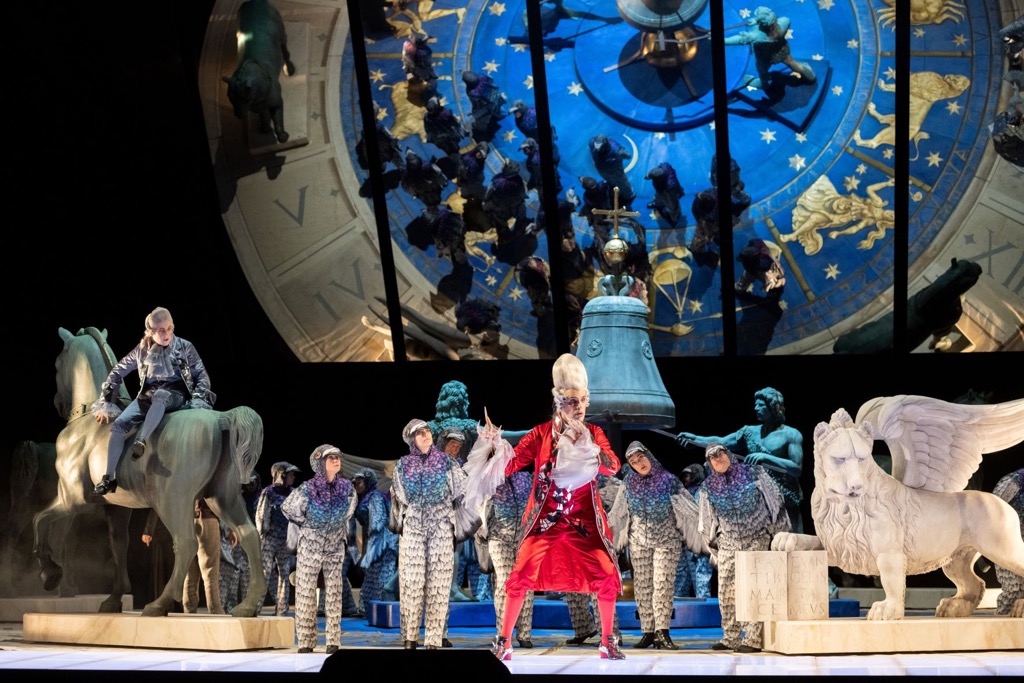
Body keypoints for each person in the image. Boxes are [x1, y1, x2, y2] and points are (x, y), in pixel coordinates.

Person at [465, 353, 626, 661]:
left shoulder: (594, 434)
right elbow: (510, 465)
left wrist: (591, 449)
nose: (579, 407)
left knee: (607, 576)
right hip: (545, 522)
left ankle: (607, 641)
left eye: (582, 400)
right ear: (558, 402)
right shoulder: (541, 434)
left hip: (583, 524)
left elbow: (613, 466)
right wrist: (493, 446)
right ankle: (504, 641)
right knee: (519, 576)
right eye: (572, 401)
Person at [90, 306, 214, 495]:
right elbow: (117, 371)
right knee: (119, 424)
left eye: (170, 328)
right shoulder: (141, 351)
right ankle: (108, 478)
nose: (167, 334)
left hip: (175, 394)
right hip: (146, 396)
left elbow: (201, 374)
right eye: (161, 330)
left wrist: (198, 398)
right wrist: (106, 402)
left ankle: (141, 441)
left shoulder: (184, 346)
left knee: (160, 395)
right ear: (151, 332)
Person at [608, 441, 704, 650]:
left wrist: (708, 531)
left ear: (648, 455)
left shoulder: (669, 481)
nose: (639, 464)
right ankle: (648, 632)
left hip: (666, 541)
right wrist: (606, 534)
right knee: (643, 587)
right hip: (638, 542)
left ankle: (662, 632)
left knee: (662, 585)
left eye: (640, 458)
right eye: (633, 462)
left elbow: (690, 509)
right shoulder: (628, 483)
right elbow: (618, 512)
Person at [698, 442, 790, 652]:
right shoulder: (707, 486)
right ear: (709, 462)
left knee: (753, 588)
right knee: (726, 591)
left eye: (720, 453)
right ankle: (730, 637)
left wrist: (777, 535)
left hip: (756, 538)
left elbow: (776, 503)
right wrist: (714, 546)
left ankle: (753, 639)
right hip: (728, 542)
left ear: (728, 453)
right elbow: (705, 520)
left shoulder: (754, 473)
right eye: (712, 457)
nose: (718, 458)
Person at [676, 387, 805, 533]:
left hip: (785, 498)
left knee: (790, 539)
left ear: (773, 407)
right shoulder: (750, 432)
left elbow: (797, 469)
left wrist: (766, 457)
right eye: (755, 405)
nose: (756, 408)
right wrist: (695, 439)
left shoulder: (791, 435)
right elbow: (722, 442)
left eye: (761, 405)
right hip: (758, 497)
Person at [390, 418, 471, 649]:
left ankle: (434, 639)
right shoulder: (403, 464)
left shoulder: (447, 463)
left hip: (441, 528)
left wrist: (443, 510)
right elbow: (401, 496)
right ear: (411, 439)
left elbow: (461, 491)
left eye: (426, 430)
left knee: (439, 583)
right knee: (411, 582)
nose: (425, 434)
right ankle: (410, 636)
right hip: (413, 528)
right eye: (419, 433)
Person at [281, 444, 358, 654]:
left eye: (337, 457)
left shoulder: (347, 488)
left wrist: (335, 526)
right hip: (310, 546)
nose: (336, 460)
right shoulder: (308, 488)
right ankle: (306, 640)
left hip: (334, 547)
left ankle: (333, 640)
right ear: (320, 463)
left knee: (334, 593)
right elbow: (288, 508)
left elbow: (350, 510)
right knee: (305, 593)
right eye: (330, 458)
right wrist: (309, 525)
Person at [724, 6, 816, 90]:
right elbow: (781, 21)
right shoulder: (783, 22)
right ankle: (810, 77)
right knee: (791, 62)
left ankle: (764, 84)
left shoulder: (757, 35)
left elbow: (740, 39)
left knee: (762, 71)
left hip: (764, 58)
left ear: (762, 23)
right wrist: (756, 21)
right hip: (781, 49)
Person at [256, 461, 301, 616]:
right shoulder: (268, 492)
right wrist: (262, 534)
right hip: (269, 538)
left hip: (285, 539)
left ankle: (282, 608)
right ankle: (256, 606)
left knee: (284, 573)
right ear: (282, 474)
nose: (293, 477)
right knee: (265, 572)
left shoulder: (294, 493)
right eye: (291, 474)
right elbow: (261, 515)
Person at [352, 467, 399, 615]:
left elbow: (377, 524)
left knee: (382, 579)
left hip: (384, 543)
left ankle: (384, 613)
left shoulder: (375, 497)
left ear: (368, 482)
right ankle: (368, 610)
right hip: (375, 542)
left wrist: (371, 551)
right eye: (355, 483)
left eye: (360, 482)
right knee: (372, 578)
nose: (357, 485)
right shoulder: (366, 497)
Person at [674, 463, 713, 599]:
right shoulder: (684, 494)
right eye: (684, 476)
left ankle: (704, 607)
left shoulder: (702, 492)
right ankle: (680, 605)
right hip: (685, 542)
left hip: (699, 542)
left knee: (701, 575)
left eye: (688, 476)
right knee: (682, 576)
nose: (686, 479)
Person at [183, 498, 225, 614]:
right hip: (207, 517)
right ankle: (215, 610)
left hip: (186, 520)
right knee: (210, 571)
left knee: (189, 572)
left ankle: (189, 612)